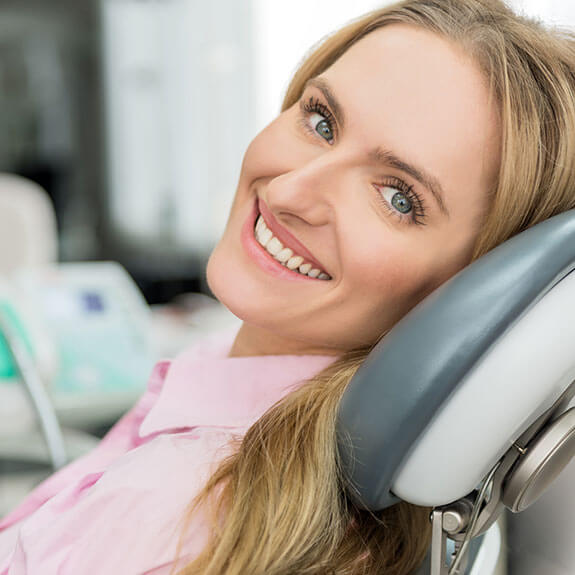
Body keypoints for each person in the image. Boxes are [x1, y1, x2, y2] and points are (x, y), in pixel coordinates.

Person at [1, 0, 575, 573]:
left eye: (398, 197)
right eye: (322, 121)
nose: (288, 192)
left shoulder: (181, 515)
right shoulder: (212, 408)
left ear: (474, 293)